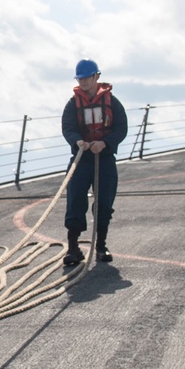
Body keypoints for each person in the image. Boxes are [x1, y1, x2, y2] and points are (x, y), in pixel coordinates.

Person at [60, 59, 128, 266]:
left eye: (86, 78)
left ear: (96, 77)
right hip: (81, 159)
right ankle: (73, 247)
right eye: (80, 79)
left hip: (104, 159)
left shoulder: (112, 102)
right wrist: (77, 141)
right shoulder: (73, 104)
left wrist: (105, 143)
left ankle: (101, 245)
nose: (83, 82)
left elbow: (121, 128)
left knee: (104, 203)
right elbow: (68, 127)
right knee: (75, 201)